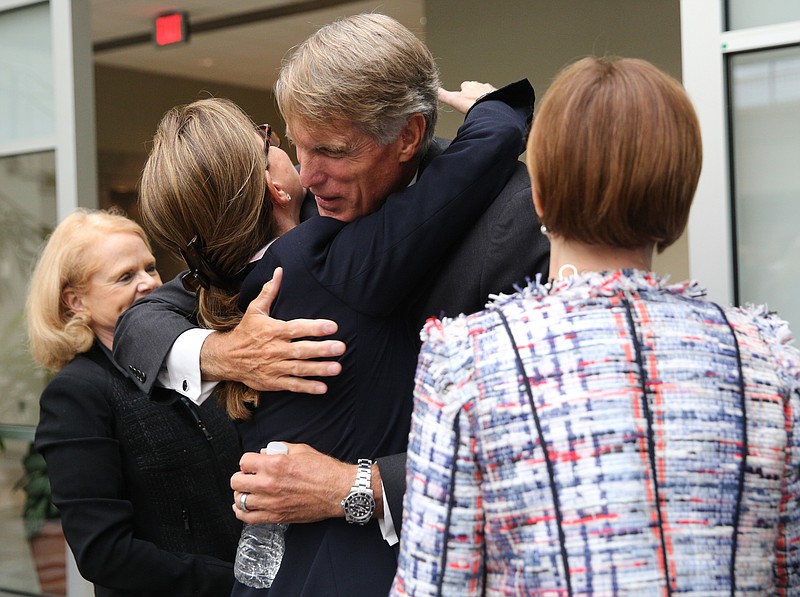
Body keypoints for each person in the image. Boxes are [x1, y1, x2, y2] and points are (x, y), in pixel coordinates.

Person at [113, 13, 549, 549]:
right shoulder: (297, 243)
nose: (308, 173)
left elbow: (536, 438)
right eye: (298, 146)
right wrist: (223, 353)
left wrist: (357, 487)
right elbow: (143, 321)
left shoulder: (514, 220)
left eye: (332, 152)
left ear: (409, 134)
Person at [391, 56, 800, 596]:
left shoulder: (468, 359)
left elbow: (435, 583)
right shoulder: (770, 358)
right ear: (681, 205)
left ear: (537, 195)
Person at [28, 208, 243, 597]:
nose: (148, 283)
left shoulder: (185, 356)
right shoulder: (77, 393)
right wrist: (234, 583)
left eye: (150, 268)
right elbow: (104, 552)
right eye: (125, 277)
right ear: (76, 301)